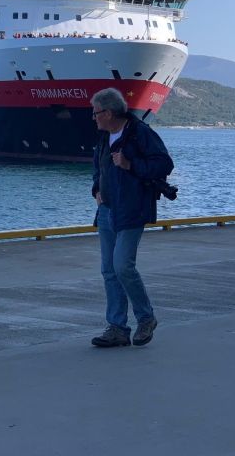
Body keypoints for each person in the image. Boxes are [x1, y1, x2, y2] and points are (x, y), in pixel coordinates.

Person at [90, 88, 173, 348]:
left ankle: (146, 317)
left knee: (122, 265)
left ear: (109, 112)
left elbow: (164, 164)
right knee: (109, 270)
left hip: (131, 209)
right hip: (107, 210)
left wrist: (130, 165)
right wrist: (96, 190)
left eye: (96, 113)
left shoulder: (141, 134)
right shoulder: (104, 137)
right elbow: (98, 168)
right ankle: (117, 327)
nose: (93, 117)